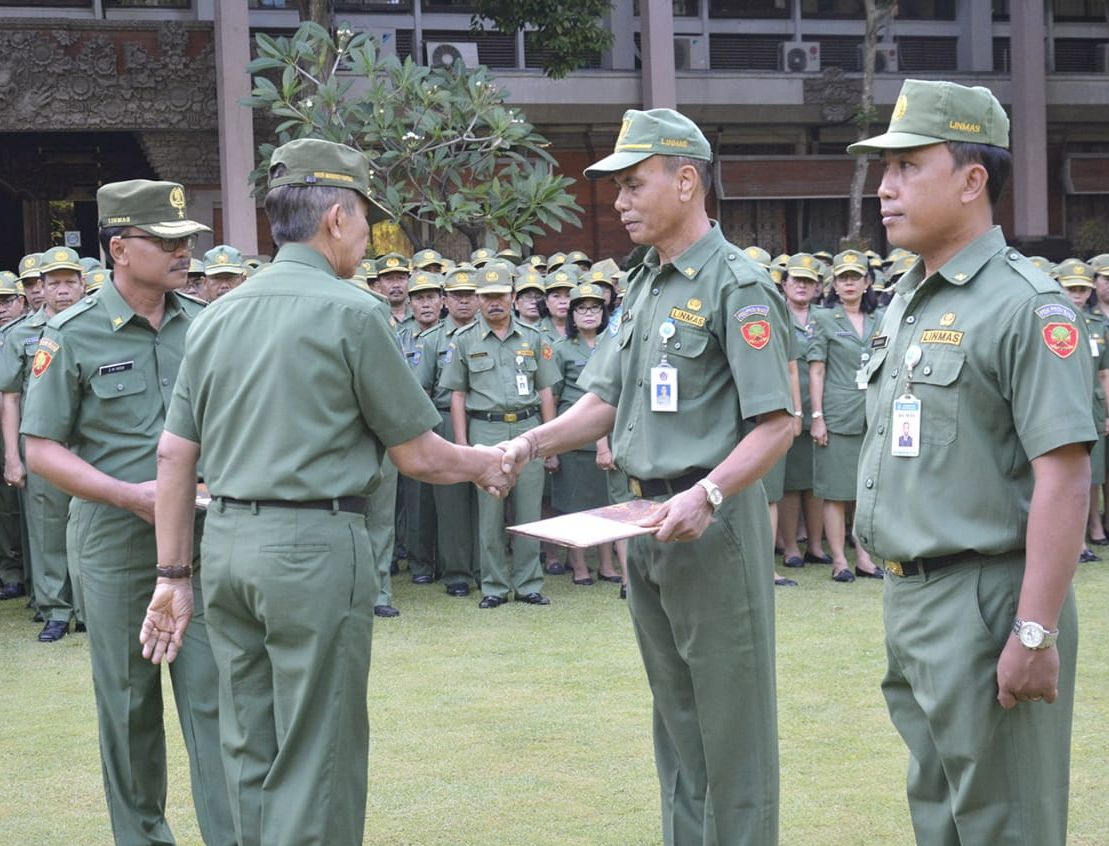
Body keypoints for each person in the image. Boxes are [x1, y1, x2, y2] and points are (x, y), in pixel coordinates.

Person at [138, 138, 510, 846]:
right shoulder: (354, 311)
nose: (368, 242)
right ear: (337, 218)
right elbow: (420, 455)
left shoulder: (214, 316)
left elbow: (173, 454)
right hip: (311, 549)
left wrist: (172, 575)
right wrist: (485, 461)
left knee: (249, 744)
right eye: (366, 222)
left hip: (228, 547)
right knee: (321, 748)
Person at [499, 107, 794, 845]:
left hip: (709, 525)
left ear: (686, 181)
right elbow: (601, 401)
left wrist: (710, 493)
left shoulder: (738, 284)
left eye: (634, 185)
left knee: (732, 729)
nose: (618, 202)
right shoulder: (644, 285)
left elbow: (778, 421)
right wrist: (527, 444)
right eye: (617, 188)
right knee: (677, 718)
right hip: (641, 525)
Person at [849, 79, 1095, 846]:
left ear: (970, 178)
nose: (884, 190)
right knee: (942, 822)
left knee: (1005, 827)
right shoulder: (906, 299)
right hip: (912, 599)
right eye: (882, 171)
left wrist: (1033, 632)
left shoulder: (1027, 305)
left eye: (907, 167)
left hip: (988, 599)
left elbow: (1063, 473)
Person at [20, 185, 235, 844]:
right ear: (119, 248)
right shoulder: (71, 332)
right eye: (166, 241)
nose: (183, 253)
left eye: (186, 240)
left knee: (217, 702)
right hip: (115, 543)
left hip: (201, 541)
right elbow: (42, 449)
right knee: (128, 703)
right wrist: (130, 496)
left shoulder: (204, 324)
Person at [441, 263, 558, 607]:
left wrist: (549, 444)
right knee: (489, 515)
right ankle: (493, 586)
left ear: (513, 297)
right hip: (485, 430)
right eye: (487, 297)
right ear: (477, 300)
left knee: (528, 513)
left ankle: (528, 584)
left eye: (501, 296)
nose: (495, 303)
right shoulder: (463, 341)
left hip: (528, 428)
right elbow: (457, 396)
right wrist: (462, 448)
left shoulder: (534, 338)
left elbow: (546, 392)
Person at [1, 246, 86, 640]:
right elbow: (10, 397)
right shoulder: (22, 334)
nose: (63, 291)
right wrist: (12, 456)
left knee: (90, 528)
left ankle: (87, 608)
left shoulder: (98, 327)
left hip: (90, 444)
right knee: (46, 530)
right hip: (43, 442)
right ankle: (56, 608)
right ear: (41, 289)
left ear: (83, 284)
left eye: (71, 282)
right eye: (55, 283)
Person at [807, 249, 885, 582]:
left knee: (868, 490)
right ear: (833, 285)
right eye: (843, 277)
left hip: (875, 414)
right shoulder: (824, 319)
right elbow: (817, 370)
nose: (850, 283)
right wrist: (817, 416)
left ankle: (865, 558)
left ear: (868, 282)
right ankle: (840, 560)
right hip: (838, 415)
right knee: (836, 491)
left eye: (856, 277)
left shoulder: (882, 317)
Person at [550, 283, 623, 586]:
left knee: (606, 505)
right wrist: (551, 447)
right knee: (574, 505)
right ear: (572, 315)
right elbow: (552, 398)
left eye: (595, 308)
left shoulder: (613, 344)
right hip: (574, 440)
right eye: (581, 308)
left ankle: (606, 564)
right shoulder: (562, 348)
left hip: (611, 437)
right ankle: (579, 566)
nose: (589, 313)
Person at [414, 267, 480, 596]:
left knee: (487, 500)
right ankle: (457, 573)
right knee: (451, 502)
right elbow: (419, 391)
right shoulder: (431, 340)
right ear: (445, 300)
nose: (464, 302)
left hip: (483, 419)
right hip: (443, 421)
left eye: (470, 296)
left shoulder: (489, 334)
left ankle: (486, 568)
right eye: (457, 296)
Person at [778, 253, 833, 569]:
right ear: (784, 284)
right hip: (786, 408)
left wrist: (819, 414)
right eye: (796, 280)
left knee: (816, 481)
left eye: (809, 282)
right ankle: (790, 547)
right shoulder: (775, 315)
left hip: (822, 408)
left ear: (818, 288)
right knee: (789, 481)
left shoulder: (826, 319)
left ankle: (815, 544)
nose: (801, 286)